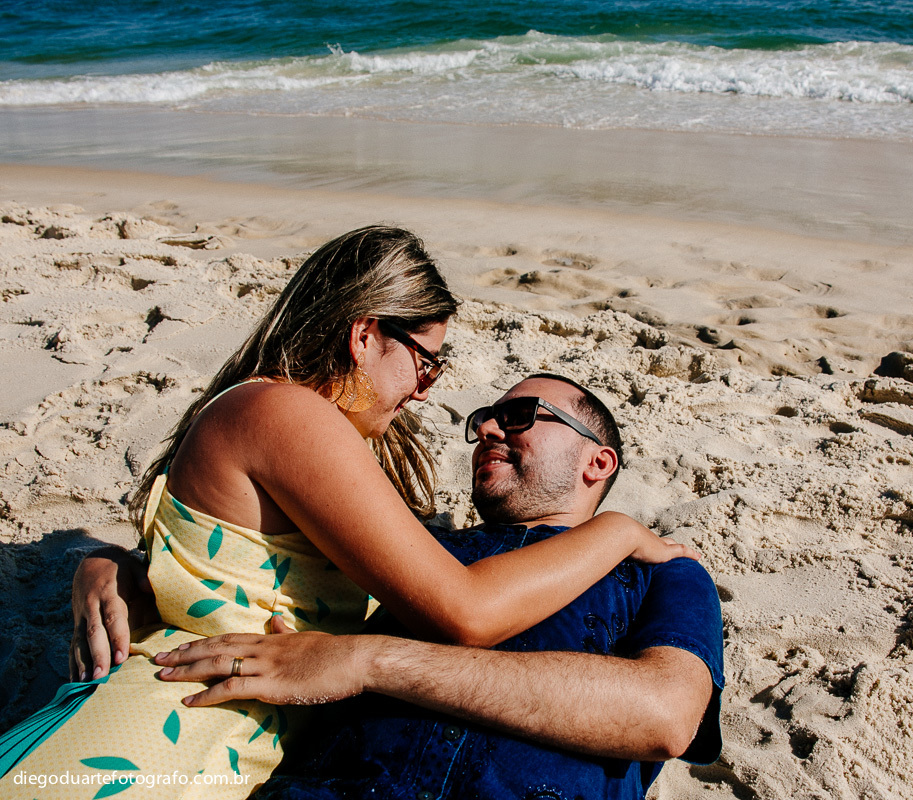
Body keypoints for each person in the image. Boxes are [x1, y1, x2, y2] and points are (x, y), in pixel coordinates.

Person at [0, 229, 694, 799]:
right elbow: (465, 610)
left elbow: (235, 560)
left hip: (229, 743)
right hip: (164, 742)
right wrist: (619, 529)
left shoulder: (292, 425)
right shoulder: (285, 412)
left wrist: (113, 562)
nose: (425, 393)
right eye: (425, 363)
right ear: (364, 336)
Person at [75, 375, 725, 799]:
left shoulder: (660, 570)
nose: (489, 430)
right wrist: (116, 567)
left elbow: (664, 716)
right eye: (484, 420)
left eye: (521, 416)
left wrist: (370, 662)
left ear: (598, 461)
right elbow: (250, 563)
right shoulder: (422, 553)